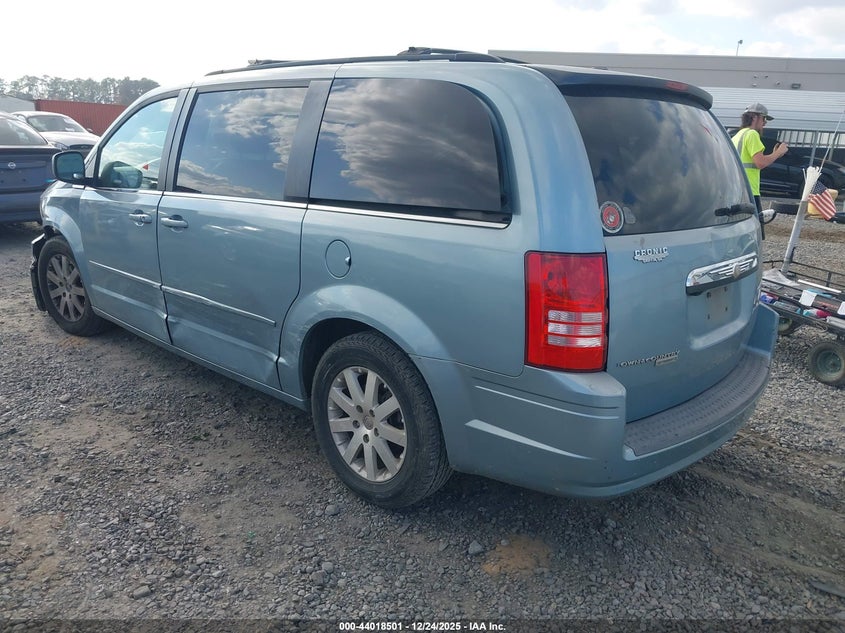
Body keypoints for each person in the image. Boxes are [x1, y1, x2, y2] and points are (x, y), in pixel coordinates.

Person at [731, 103, 789, 239]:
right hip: (750, 190)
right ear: (755, 117)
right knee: (754, 234)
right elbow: (760, 163)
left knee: (739, 233)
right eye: (764, 119)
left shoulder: (738, 135)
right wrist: (779, 152)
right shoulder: (752, 134)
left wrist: (775, 155)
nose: (765, 123)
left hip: (738, 189)